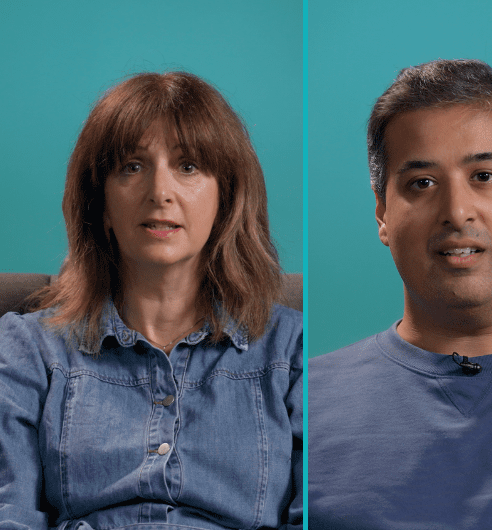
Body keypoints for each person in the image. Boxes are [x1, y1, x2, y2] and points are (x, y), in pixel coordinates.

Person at [308, 59, 492, 528]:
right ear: (382, 215)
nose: (456, 210)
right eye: (422, 183)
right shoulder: (300, 403)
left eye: (484, 176)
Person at [0, 72, 303, 529]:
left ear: (227, 198)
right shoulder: (26, 349)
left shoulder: (294, 350)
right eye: (131, 166)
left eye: (188, 167)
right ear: (99, 204)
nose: (160, 192)